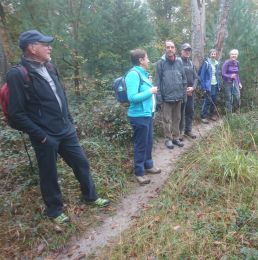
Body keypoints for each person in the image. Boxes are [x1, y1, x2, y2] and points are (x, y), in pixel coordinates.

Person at [6, 30, 109, 224]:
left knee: (81, 163)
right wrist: (42, 136)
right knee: (49, 174)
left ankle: (90, 197)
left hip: (65, 130)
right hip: (44, 136)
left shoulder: (50, 67)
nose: (49, 46)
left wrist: (69, 121)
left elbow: (60, 96)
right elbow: (16, 114)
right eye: (44, 44)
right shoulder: (18, 74)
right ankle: (54, 210)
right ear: (31, 48)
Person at [125, 49, 161, 185]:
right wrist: (150, 91)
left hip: (147, 114)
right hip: (138, 116)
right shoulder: (133, 75)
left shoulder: (143, 74)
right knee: (141, 144)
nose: (148, 60)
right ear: (140, 60)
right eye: (147, 58)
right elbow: (132, 97)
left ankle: (149, 165)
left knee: (149, 141)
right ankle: (139, 172)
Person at [155, 40, 187, 149]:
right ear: (165, 49)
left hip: (178, 96)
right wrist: (159, 98)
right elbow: (157, 82)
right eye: (168, 47)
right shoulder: (160, 63)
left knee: (177, 118)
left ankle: (176, 138)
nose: (170, 49)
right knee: (167, 120)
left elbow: (184, 79)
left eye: (172, 47)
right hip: (166, 98)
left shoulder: (179, 62)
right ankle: (168, 139)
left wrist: (184, 96)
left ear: (175, 49)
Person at [179, 43, 198, 139]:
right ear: (181, 51)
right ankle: (180, 132)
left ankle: (188, 130)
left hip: (191, 93)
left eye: (188, 50)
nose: (187, 52)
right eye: (185, 50)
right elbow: (176, 79)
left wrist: (193, 88)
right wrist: (184, 89)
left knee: (190, 111)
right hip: (181, 93)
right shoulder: (177, 62)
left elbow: (196, 78)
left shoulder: (191, 63)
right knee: (180, 112)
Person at [199, 49, 221, 123]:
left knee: (214, 101)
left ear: (216, 55)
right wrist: (203, 87)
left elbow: (217, 75)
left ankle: (211, 115)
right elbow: (202, 76)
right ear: (210, 54)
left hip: (215, 84)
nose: (213, 55)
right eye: (212, 54)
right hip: (208, 86)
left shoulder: (217, 63)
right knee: (207, 100)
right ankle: (203, 116)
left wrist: (219, 85)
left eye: (215, 54)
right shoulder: (206, 63)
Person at [222, 49, 242, 114]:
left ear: (237, 55)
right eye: (232, 54)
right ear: (230, 55)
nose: (234, 55)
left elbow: (237, 74)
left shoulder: (237, 63)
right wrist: (230, 76)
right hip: (227, 82)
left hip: (235, 81)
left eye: (235, 54)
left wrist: (239, 82)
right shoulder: (226, 63)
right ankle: (229, 113)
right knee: (229, 97)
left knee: (237, 96)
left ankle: (236, 111)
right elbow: (223, 73)